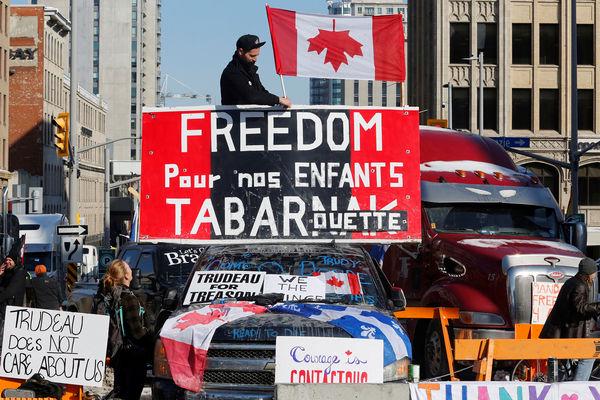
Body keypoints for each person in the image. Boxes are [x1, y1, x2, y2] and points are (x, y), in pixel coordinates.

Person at [540, 257, 600, 380]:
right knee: (590, 354)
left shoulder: (572, 281)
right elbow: (580, 308)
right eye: (594, 272)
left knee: (563, 364)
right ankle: (577, 387)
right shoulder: (580, 285)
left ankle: (560, 390)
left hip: (561, 331)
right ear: (589, 273)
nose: (595, 276)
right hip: (566, 332)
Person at [102, 259, 153, 400]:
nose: (132, 271)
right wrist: (151, 339)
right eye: (129, 268)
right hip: (132, 356)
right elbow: (137, 332)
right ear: (126, 275)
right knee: (131, 394)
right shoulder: (128, 298)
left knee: (121, 391)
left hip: (117, 352)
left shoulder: (109, 295)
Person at [220, 34, 292, 107]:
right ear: (240, 52)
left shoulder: (250, 70)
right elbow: (251, 96)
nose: (255, 59)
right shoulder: (232, 72)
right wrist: (278, 100)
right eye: (252, 56)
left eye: (257, 55)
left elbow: (261, 93)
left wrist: (279, 102)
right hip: (235, 117)